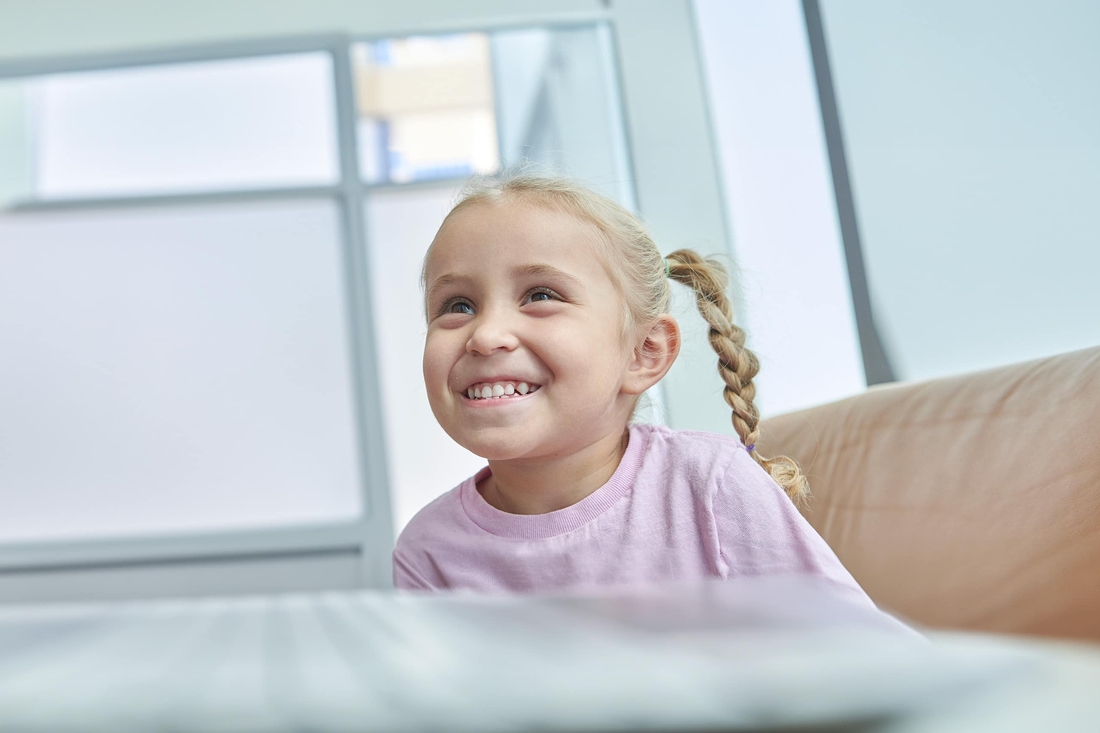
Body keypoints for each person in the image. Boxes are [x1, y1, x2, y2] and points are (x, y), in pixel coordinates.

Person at [393, 174, 869, 604]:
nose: (485, 334)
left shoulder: (710, 487)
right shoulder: (428, 552)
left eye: (540, 295)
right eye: (457, 305)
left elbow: (867, 660)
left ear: (644, 352)